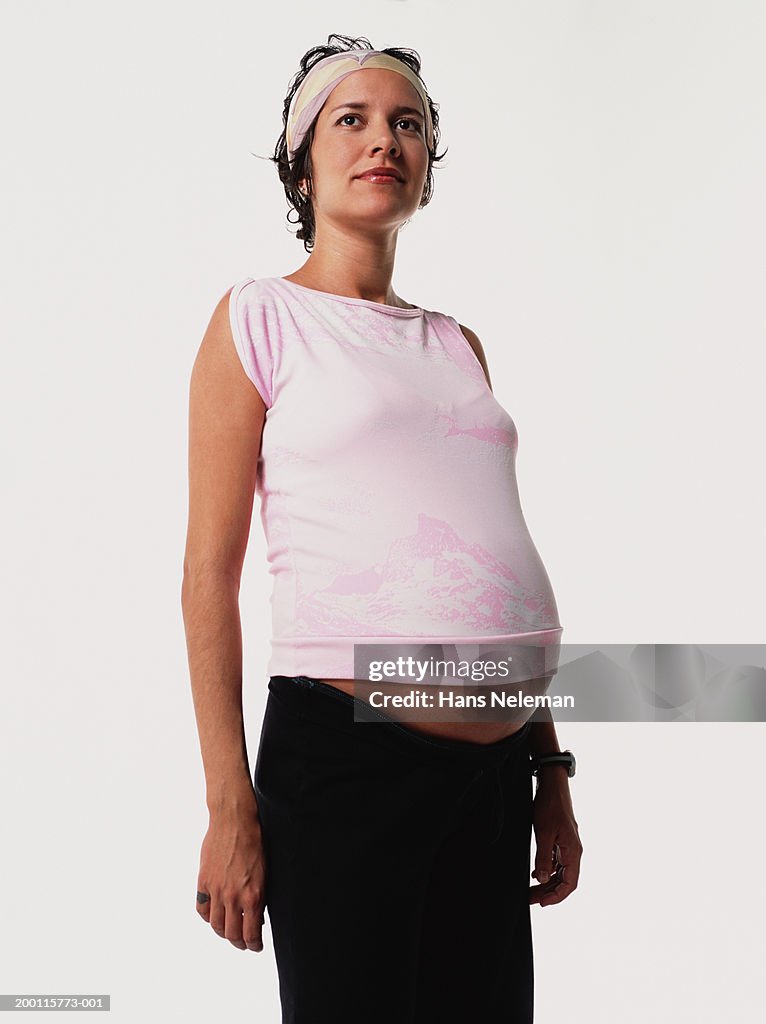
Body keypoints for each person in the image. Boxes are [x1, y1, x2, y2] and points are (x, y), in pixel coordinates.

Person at [181, 32, 582, 1024]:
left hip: (493, 776)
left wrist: (548, 771)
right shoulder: (258, 319)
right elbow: (206, 578)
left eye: (407, 123)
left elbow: (493, 550)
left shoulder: (455, 342)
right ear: (301, 161)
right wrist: (230, 803)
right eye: (350, 120)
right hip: (348, 765)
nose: (382, 141)